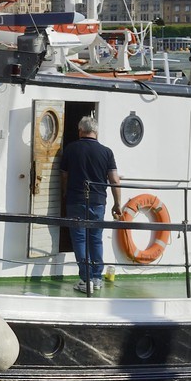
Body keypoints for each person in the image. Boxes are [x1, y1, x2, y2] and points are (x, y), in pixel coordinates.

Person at [60, 114, 122, 294]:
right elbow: (114, 180)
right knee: (96, 239)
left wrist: (65, 193)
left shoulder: (70, 149)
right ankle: (96, 278)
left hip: (76, 199)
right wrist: (117, 204)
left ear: (80, 130)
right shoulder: (106, 152)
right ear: (95, 131)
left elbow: (64, 176)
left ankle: (85, 279)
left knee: (79, 239)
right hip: (98, 202)